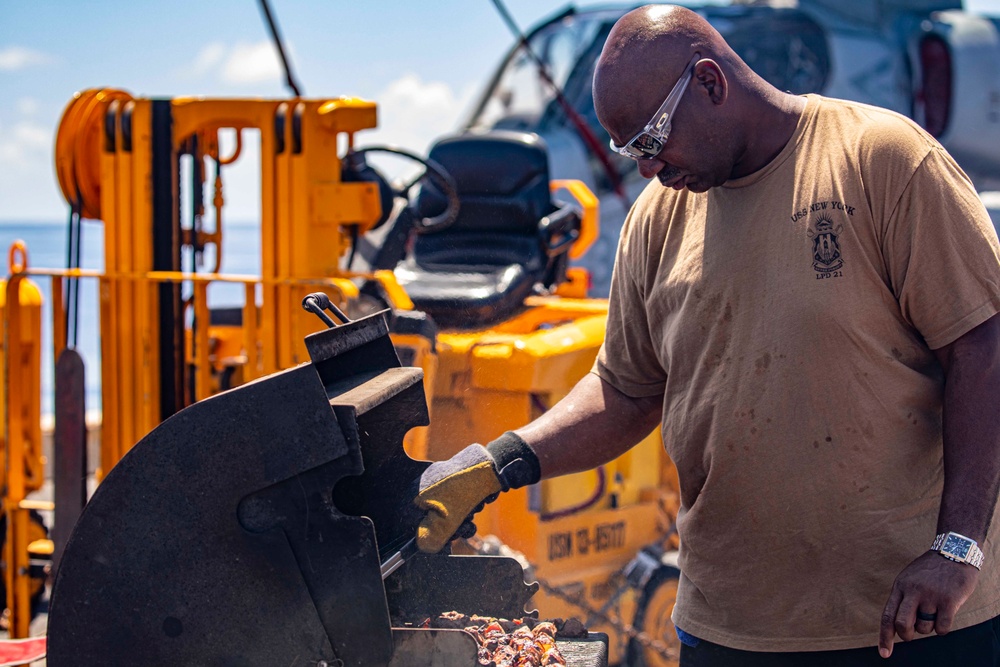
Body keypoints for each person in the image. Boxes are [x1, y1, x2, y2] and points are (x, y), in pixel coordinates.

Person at [413, 4, 1000, 664]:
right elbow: (625, 390)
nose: (648, 167)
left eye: (653, 139)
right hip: (728, 629)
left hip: (906, 621)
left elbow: (981, 347)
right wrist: (500, 461)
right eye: (630, 149)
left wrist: (957, 547)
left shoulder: (882, 160)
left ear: (712, 83)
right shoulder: (657, 219)